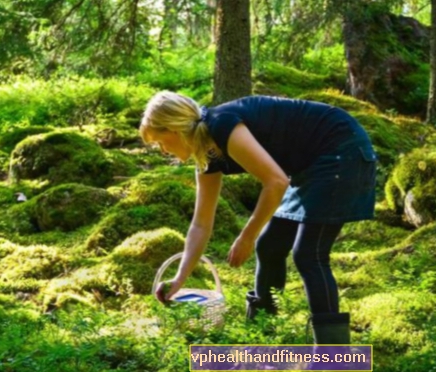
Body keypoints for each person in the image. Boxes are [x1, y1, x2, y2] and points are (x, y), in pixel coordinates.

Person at [139, 91, 377, 344]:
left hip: (341, 149)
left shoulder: (222, 124)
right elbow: (200, 224)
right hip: (309, 165)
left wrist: (246, 236)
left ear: (174, 129)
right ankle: (262, 335)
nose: (162, 150)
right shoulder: (205, 153)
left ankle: (334, 355)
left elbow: (275, 182)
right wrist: (179, 279)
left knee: (309, 254)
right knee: (270, 246)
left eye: (159, 142)